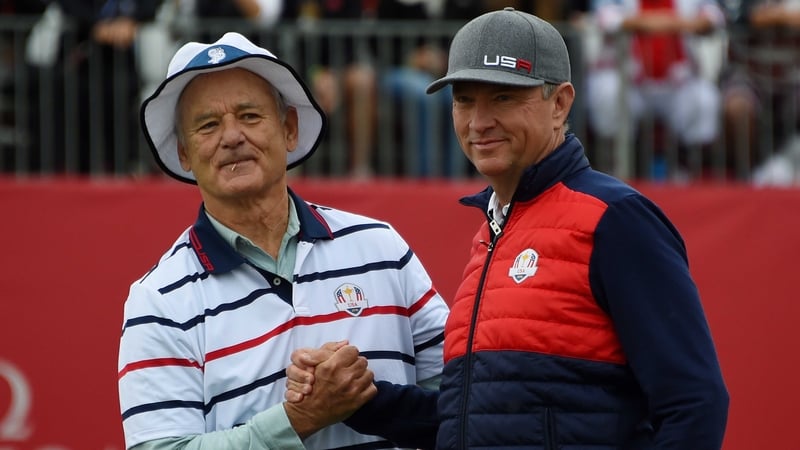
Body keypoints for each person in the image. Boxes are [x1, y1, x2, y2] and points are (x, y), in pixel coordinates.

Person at [285, 8, 729, 449]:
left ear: (560, 104)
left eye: (502, 97)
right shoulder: (494, 231)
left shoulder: (615, 219)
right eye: (464, 99)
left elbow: (695, 403)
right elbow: (474, 419)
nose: (478, 122)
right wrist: (360, 401)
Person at [116, 31, 449, 450]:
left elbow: (465, 404)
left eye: (250, 116)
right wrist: (300, 418)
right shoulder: (157, 301)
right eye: (208, 125)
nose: (232, 136)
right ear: (184, 153)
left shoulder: (382, 248)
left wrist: (370, 400)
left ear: (289, 128)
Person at [585, 0, 725, 178]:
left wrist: (651, 23)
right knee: (608, 94)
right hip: (630, 79)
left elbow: (713, 17)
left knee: (704, 98)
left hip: (677, 80)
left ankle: (689, 167)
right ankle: (614, 168)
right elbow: (607, 18)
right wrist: (674, 23)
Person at [720, 0, 800, 181]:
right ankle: (747, 176)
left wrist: (774, 16)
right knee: (737, 106)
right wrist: (782, 17)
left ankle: (789, 166)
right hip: (748, 75)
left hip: (792, 77)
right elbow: (743, 17)